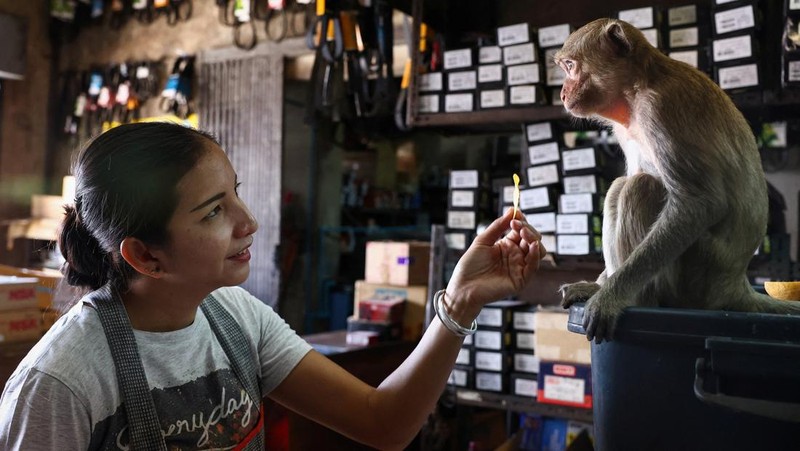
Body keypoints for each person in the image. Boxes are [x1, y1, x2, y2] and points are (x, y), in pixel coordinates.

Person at [0, 122, 545, 450]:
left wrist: (460, 303)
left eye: (235, 193)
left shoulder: (236, 317)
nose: (249, 221)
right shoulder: (61, 383)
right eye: (214, 211)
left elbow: (385, 424)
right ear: (145, 255)